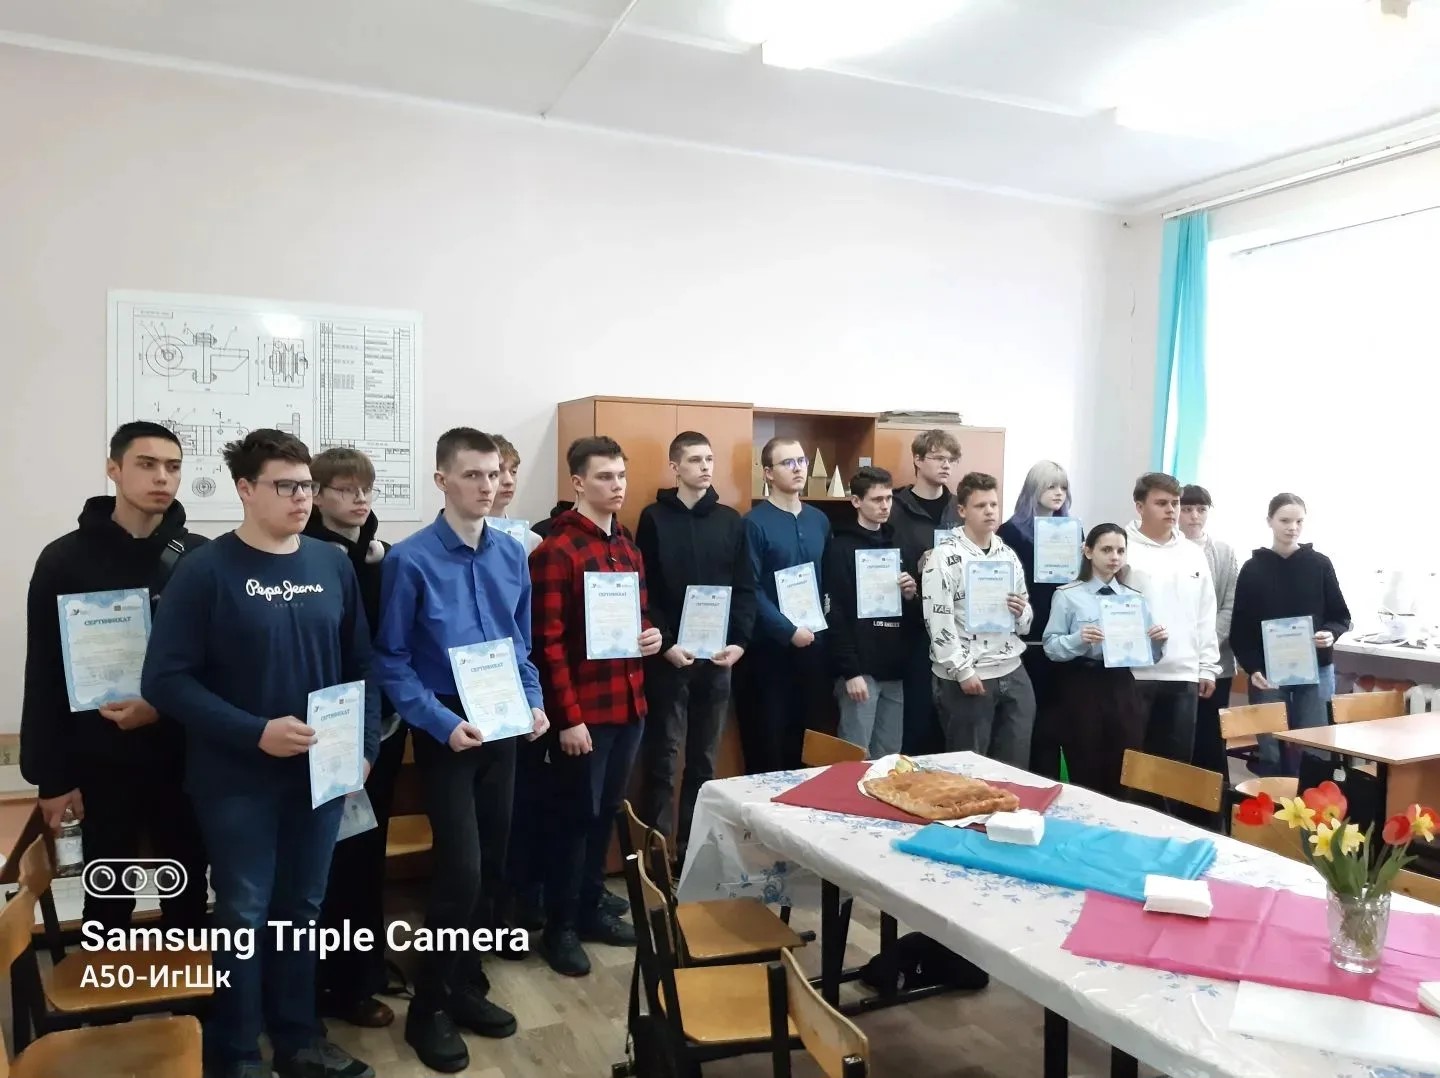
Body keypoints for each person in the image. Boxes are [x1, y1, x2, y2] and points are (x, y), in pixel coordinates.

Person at [141, 429, 379, 1078]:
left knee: (302, 909)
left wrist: (363, 748)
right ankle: (238, 1053)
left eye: (306, 486)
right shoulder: (205, 571)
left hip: (321, 776)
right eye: (286, 486)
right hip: (236, 781)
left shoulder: (331, 565)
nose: (302, 498)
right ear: (245, 490)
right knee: (244, 913)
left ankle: (299, 1040)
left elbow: (362, 662)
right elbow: (164, 681)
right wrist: (255, 732)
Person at [373, 428, 548, 1072]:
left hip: (503, 727)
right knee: (460, 874)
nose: (487, 485)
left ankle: (464, 986)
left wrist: (534, 702)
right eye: (472, 474)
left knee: (492, 866)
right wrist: (441, 722)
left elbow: (519, 646)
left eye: (494, 473)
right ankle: (429, 1008)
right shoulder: (410, 560)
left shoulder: (511, 554)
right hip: (447, 732)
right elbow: (391, 660)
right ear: (442, 480)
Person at [21, 421, 208, 931]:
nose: (162, 477)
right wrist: (53, 777)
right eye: (147, 464)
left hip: (183, 754)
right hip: (98, 759)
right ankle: (108, 985)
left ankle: (188, 981)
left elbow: (219, 663)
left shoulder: (200, 557)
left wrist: (162, 706)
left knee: (189, 893)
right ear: (114, 470)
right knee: (107, 901)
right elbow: (44, 672)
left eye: (172, 467)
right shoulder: (64, 559)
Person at [530, 436, 662, 977]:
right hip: (584, 715)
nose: (617, 486)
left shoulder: (627, 547)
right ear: (578, 483)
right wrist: (569, 718)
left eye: (621, 476)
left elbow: (638, 616)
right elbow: (547, 644)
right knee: (573, 821)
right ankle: (559, 928)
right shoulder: (556, 550)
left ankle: (589, 910)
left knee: (605, 815)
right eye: (605, 477)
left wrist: (651, 635)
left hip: (628, 704)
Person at [305, 448, 406, 1032]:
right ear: (317, 495)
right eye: (344, 489)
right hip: (324, 731)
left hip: (379, 729)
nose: (359, 498)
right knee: (329, 863)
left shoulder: (380, 556)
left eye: (365, 488)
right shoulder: (310, 556)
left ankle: (360, 971)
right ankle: (329, 982)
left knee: (366, 856)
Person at [634, 431, 755, 860]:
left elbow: (745, 587)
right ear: (675, 467)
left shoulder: (730, 520)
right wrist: (666, 644)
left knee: (704, 761)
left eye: (709, 459)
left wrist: (739, 643)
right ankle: (657, 854)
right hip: (671, 659)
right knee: (663, 759)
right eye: (695, 460)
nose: (705, 467)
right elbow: (646, 590)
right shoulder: (653, 518)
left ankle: (692, 851)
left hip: (718, 659)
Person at [1230, 493, 1352, 777]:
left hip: (1315, 670)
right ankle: (1273, 801)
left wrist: (1330, 634)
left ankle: (1314, 803)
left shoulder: (1320, 564)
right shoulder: (1252, 569)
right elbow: (1240, 630)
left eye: (1299, 521)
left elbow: (1341, 616)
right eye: (1285, 520)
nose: (1292, 527)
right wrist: (1252, 668)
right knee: (1271, 749)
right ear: (1269, 521)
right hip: (1268, 674)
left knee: (1316, 748)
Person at [1042, 525, 1166, 798]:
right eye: (1107, 549)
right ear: (1088, 551)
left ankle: (1123, 816)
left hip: (1121, 684)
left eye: (1120, 551)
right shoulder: (1068, 595)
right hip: (1082, 683)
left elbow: (1150, 655)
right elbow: (1051, 647)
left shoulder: (1133, 599)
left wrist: (1158, 641)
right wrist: (1078, 639)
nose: (1114, 557)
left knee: (1126, 759)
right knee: (1085, 758)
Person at [922, 472, 1034, 768]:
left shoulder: (1007, 554)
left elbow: (1025, 622)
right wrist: (962, 671)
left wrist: (1021, 611)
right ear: (962, 510)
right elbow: (938, 620)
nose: (989, 511)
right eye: (980, 505)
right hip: (968, 675)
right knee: (968, 769)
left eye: (994, 505)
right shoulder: (944, 556)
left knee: (1014, 766)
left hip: (1012, 668)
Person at [741, 437, 832, 773]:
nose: (798, 469)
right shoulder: (754, 522)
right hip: (770, 649)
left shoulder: (819, 520)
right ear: (768, 472)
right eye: (787, 463)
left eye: (801, 461)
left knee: (810, 742)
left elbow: (828, 579)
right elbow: (749, 587)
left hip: (814, 645)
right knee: (769, 742)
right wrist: (787, 630)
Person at [1123, 472, 1220, 768]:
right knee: (1131, 766)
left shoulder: (1192, 553)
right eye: (1161, 503)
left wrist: (1207, 666)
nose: (1171, 510)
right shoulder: (1121, 547)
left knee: (1174, 770)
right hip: (1133, 674)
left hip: (1182, 674)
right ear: (1140, 507)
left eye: (1175, 503)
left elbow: (1205, 612)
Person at [823, 466, 915, 757]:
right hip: (859, 670)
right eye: (876, 499)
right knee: (855, 755)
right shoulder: (840, 548)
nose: (885, 506)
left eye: (888, 498)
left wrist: (910, 595)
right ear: (856, 501)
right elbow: (834, 613)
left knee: (890, 758)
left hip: (894, 669)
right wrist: (850, 671)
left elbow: (911, 613)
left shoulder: (898, 544)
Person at [997, 460, 1076, 779]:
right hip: (1027, 637)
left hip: (1064, 636)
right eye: (1050, 486)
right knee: (1026, 720)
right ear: (1034, 490)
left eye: (1063, 487)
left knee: (1057, 721)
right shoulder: (1011, 532)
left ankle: (1051, 781)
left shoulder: (1073, 530)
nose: (1058, 493)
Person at [888, 430, 962, 756]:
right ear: (917, 460)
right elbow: (880, 561)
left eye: (951, 459)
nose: (946, 465)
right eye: (938, 458)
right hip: (910, 627)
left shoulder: (960, 508)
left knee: (949, 722)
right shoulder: (895, 507)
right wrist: (918, 571)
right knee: (915, 719)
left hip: (955, 626)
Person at [1179, 485, 1241, 776]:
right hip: (1176, 659)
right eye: (1187, 509)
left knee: (1210, 737)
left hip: (1216, 661)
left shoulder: (1224, 552)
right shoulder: (1169, 550)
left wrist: (1206, 642)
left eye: (1201, 509)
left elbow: (1231, 604)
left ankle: (1213, 801)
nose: (1194, 516)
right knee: (1178, 737)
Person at [491, 434, 543, 555]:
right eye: (497, 472)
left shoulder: (531, 541)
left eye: (513, 471)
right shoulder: (459, 535)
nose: (509, 481)